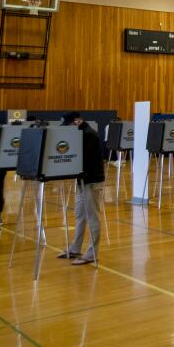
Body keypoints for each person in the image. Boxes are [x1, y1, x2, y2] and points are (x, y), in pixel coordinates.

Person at [56, 112, 106, 266]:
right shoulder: (81, 134)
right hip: (82, 180)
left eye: (69, 125)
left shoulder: (89, 135)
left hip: (91, 181)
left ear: (77, 121)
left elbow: (82, 159)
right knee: (80, 215)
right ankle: (75, 248)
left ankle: (91, 253)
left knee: (92, 217)